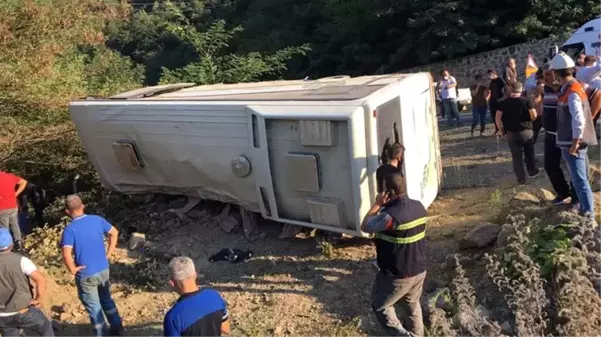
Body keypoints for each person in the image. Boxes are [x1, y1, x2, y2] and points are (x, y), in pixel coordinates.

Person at [361, 173, 427, 337]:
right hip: (419, 269)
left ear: (388, 193)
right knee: (412, 304)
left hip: (398, 274)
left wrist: (377, 204)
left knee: (381, 306)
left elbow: (366, 226)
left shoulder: (389, 217)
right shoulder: (419, 206)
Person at [60, 195, 123, 337]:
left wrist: (72, 269)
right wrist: (108, 254)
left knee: (94, 308)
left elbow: (66, 254)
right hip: (103, 268)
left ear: (67, 211)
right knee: (107, 300)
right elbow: (114, 233)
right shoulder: (97, 220)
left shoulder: (70, 230)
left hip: (86, 273)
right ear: (83, 206)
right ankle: (117, 330)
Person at [551, 52, 598, 221]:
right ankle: (587, 212)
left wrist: (575, 142)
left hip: (573, 143)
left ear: (556, 73)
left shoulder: (571, 91)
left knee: (580, 180)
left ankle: (588, 216)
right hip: (574, 141)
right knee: (581, 178)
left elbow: (578, 118)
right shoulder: (574, 87)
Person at [0, 228, 55, 337]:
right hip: (23, 310)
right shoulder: (21, 260)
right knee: (45, 328)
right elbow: (40, 279)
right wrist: (39, 298)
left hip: (2, 316)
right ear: (11, 244)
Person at [541, 64, 579, 207]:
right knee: (550, 165)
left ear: (557, 74)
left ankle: (576, 198)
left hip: (566, 136)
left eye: (549, 75)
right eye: (544, 76)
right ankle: (563, 193)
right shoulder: (546, 89)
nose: (546, 79)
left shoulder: (568, 90)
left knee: (573, 167)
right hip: (550, 135)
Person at [164, 256, 231, 337]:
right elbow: (225, 329)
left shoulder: (173, 317)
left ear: (172, 283)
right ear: (195, 275)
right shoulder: (214, 296)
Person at [495, 81, 540, 185]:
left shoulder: (503, 103)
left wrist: (501, 131)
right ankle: (532, 171)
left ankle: (521, 179)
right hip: (526, 131)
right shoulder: (527, 101)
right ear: (522, 89)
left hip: (511, 133)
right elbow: (534, 115)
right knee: (529, 152)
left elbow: (497, 117)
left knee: (516, 157)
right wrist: (530, 121)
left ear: (510, 89)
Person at [0, 170, 28, 250]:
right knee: (15, 225)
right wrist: (16, 193)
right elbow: (24, 182)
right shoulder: (10, 176)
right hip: (13, 206)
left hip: (2, 207)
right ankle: (18, 244)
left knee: (4, 229)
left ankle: (7, 247)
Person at [488, 69, 506, 135]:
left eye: (490, 74)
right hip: (493, 100)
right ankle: (497, 128)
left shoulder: (500, 80)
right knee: (493, 115)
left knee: (501, 116)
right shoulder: (492, 81)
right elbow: (490, 91)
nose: (490, 76)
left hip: (499, 100)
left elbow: (506, 87)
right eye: (489, 75)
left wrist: (503, 97)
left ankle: (504, 129)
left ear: (494, 73)